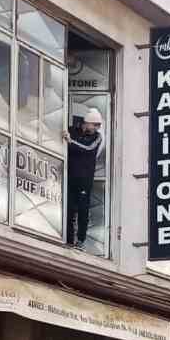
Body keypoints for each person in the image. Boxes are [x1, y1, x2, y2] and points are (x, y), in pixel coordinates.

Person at [66, 106, 104, 249]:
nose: (96, 128)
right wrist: (69, 139)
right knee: (68, 209)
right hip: (70, 176)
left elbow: (87, 148)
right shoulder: (72, 131)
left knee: (82, 210)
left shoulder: (97, 138)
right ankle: (69, 240)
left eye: (98, 125)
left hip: (84, 180)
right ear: (87, 122)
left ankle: (80, 240)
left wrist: (70, 142)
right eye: (95, 125)